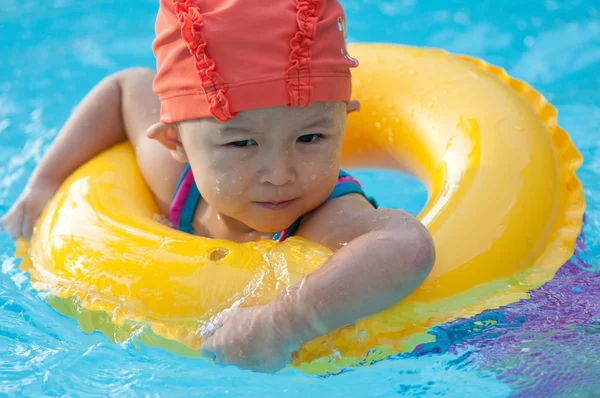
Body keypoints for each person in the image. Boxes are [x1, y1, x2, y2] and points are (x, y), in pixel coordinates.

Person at [1, 0, 434, 372]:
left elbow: (406, 244)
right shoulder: (175, 180)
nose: (279, 173)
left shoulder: (326, 216)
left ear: (343, 122)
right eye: (242, 142)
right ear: (175, 142)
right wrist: (45, 184)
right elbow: (123, 89)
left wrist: (281, 324)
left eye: (310, 138)